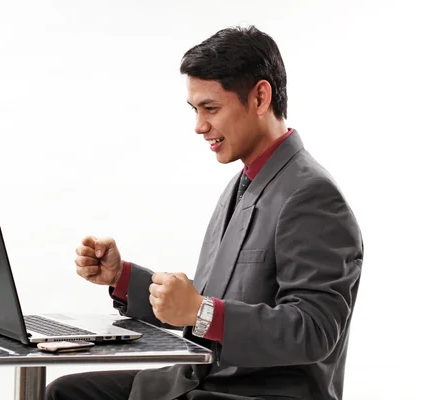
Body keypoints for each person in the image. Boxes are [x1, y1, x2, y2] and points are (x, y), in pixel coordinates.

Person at [46, 25, 364, 400]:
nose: (199, 126)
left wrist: (201, 312)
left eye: (210, 108)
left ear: (261, 97)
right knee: (67, 392)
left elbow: (315, 330)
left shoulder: (312, 196)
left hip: (251, 393)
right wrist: (121, 277)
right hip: (206, 380)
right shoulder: (244, 184)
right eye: (195, 110)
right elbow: (205, 303)